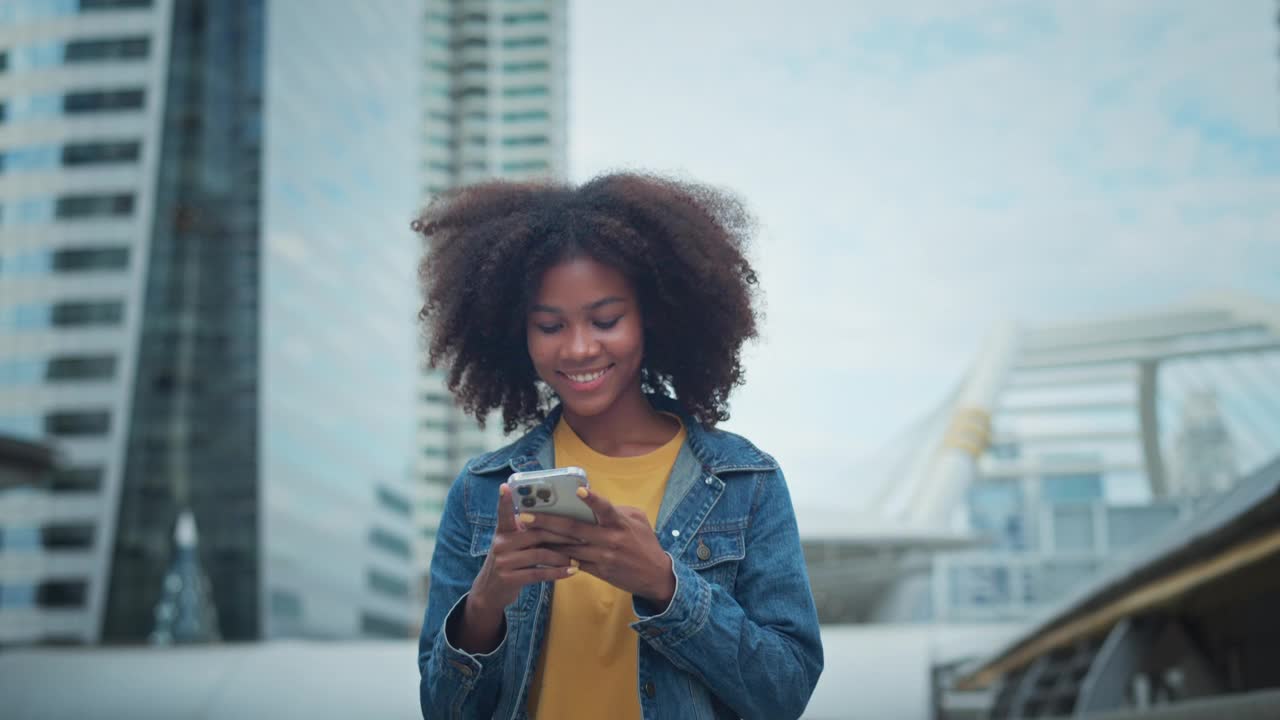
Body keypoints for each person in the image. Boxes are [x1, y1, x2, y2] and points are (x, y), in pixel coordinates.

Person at [414, 173, 823, 720]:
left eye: (605, 320)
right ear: (520, 333)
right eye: (550, 325)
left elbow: (785, 691)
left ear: (651, 316)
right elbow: (442, 711)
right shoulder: (483, 492)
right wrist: (485, 602)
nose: (580, 348)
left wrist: (665, 585)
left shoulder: (745, 483)